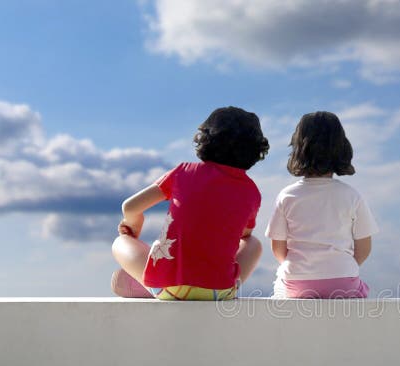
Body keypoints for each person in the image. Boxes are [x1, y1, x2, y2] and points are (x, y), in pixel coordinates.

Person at [111, 106, 268, 300]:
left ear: (204, 139)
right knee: (254, 244)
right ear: (255, 150)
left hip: (168, 287)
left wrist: (135, 224)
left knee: (120, 242)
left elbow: (129, 207)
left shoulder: (184, 171)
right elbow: (245, 236)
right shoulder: (252, 192)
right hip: (219, 292)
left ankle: (147, 284)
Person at [265, 111, 378, 298]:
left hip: (297, 281)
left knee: (280, 286)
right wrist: (340, 268)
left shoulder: (287, 196)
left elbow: (278, 249)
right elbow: (364, 248)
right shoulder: (352, 195)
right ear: (341, 148)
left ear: (297, 149)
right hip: (343, 280)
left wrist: (306, 271)